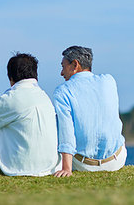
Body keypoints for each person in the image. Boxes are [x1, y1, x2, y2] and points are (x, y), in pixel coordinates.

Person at [52, 46, 126, 177]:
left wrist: (66, 168)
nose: (61, 73)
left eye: (63, 66)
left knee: (56, 121)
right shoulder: (109, 81)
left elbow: (66, 131)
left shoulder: (63, 91)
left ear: (75, 64)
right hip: (116, 161)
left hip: (84, 165)